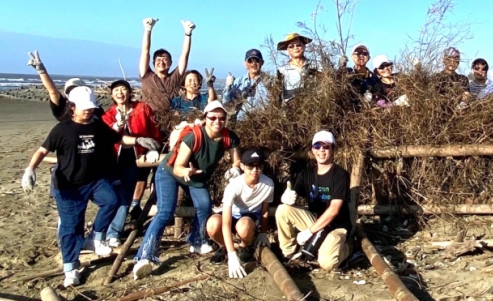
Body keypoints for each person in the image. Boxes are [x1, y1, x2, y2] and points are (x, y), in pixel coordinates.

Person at [21, 87, 161, 287]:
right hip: (69, 187)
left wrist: (138, 140)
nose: (87, 111)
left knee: (113, 199)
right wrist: (30, 169)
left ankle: (95, 237)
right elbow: (43, 150)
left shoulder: (97, 126)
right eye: (83, 107)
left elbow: (118, 138)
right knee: (72, 228)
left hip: (93, 181)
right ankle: (70, 268)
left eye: (90, 108)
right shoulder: (62, 130)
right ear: (72, 107)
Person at [133, 101, 239, 279]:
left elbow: (236, 158)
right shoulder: (194, 137)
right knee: (165, 212)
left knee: (205, 206)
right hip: (170, 172)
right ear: (205, 118)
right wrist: (186, 171)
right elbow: (177, 167)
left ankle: (197, 240)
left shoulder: (229, 137)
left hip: (196, 179)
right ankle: (144, 256)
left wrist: (235, 168)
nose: (217, 121)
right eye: (212, 117)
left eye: (221, 117)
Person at [275, 131, 351, 271]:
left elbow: (334, 210)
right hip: (315, 221)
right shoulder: (306, 174)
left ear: (333, 149)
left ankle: (348, 247)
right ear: (312, 150)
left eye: (326, 146)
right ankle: (289, 253)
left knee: (327, 263)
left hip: (336, 226)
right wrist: (287, 196)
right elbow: (294, 193)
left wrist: (309, 232)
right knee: (282, 209)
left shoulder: (341, 175)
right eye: (317, 146)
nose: (321, 150)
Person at [100, 80, 162, 247]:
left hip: (136, 157)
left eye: (123, 89)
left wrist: (152, 148)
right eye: (116, 90)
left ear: (129, 92)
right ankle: (102, 231)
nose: (120, 93)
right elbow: (106, 136)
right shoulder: (108, 115)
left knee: (126, 195)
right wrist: (117, 124)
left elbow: (154, 129)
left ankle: (114, 232)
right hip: (114, 159)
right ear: (111, 95)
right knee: (112, 196)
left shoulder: (142, 108)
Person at [205, 148, 273, 279]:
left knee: (244, 226)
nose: (254, 170)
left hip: (249, 216)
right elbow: (225, 223)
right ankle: (225, 248)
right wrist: (231, 255)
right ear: (242, 166)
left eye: (258, 166)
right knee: (212, 225)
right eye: (250, 166)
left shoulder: (268, 184)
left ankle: (244, 247)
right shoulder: (234, 186)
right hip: (232, 214)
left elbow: (265, 209)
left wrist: (263, 233)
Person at [139, 17, 196, 113]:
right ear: (153, 63)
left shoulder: (175, 77)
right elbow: (145, 52)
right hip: (149, 120)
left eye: (165, 60)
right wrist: (148, 29)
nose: (161, 62)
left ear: (170, 63)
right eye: (158, 60)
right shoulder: (146, 75)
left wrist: (188, 33)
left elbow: (184, 55)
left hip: (171, 120)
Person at [27, 51, 101, 121]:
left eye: (76, 90)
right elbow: (53, 91)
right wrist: (42, 71)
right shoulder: (63, 110)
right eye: (70, 91)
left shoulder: (96, 110)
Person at [222, 49, 270, 120]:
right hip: (242, 122)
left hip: (264, 123)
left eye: (256, 60)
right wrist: (228, 87)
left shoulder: (269, 81)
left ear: (262, 62)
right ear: (245, 63)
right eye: (250, 61)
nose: (253, 64)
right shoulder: (238, 82)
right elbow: (226, 103)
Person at [276, 33, 319, 102]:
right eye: (291, 46)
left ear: (304, 46)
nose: (295, 48)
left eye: (298, 45)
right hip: (292, 110)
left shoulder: (316, 66)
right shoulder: (281, 71)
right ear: (287, 50)